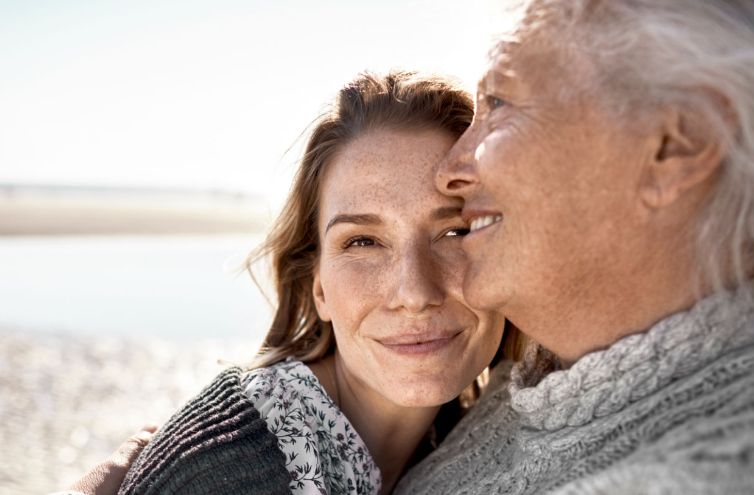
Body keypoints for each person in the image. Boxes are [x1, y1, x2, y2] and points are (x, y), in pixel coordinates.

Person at [393, 0, 754, 494]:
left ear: (676, 144)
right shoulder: (531, 384)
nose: (449, 172)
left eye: (499, 103)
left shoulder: (739, 473)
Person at [63, 71, 513, 495]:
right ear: (318, 287)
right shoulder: (234, 466)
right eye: (362, 242)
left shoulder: (464, 439)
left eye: (456, 231)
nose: (414, 293)